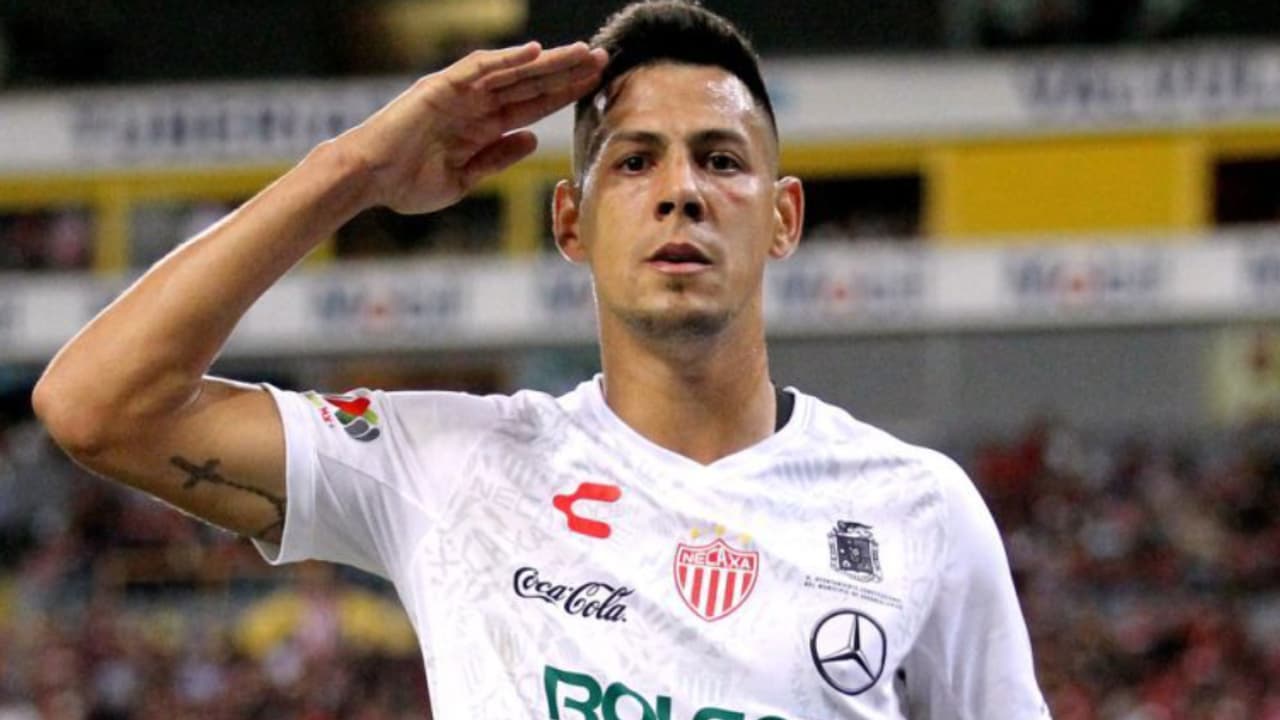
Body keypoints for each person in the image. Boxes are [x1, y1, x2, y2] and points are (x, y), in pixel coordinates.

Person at [32, 1, 1050, 717]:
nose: (682, 192)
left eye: (721, 160)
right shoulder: (455, 465)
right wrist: (352, 170)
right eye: (635, 161)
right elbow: (97, 407)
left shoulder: (917, 510)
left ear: (782, 218)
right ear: (571, 221)